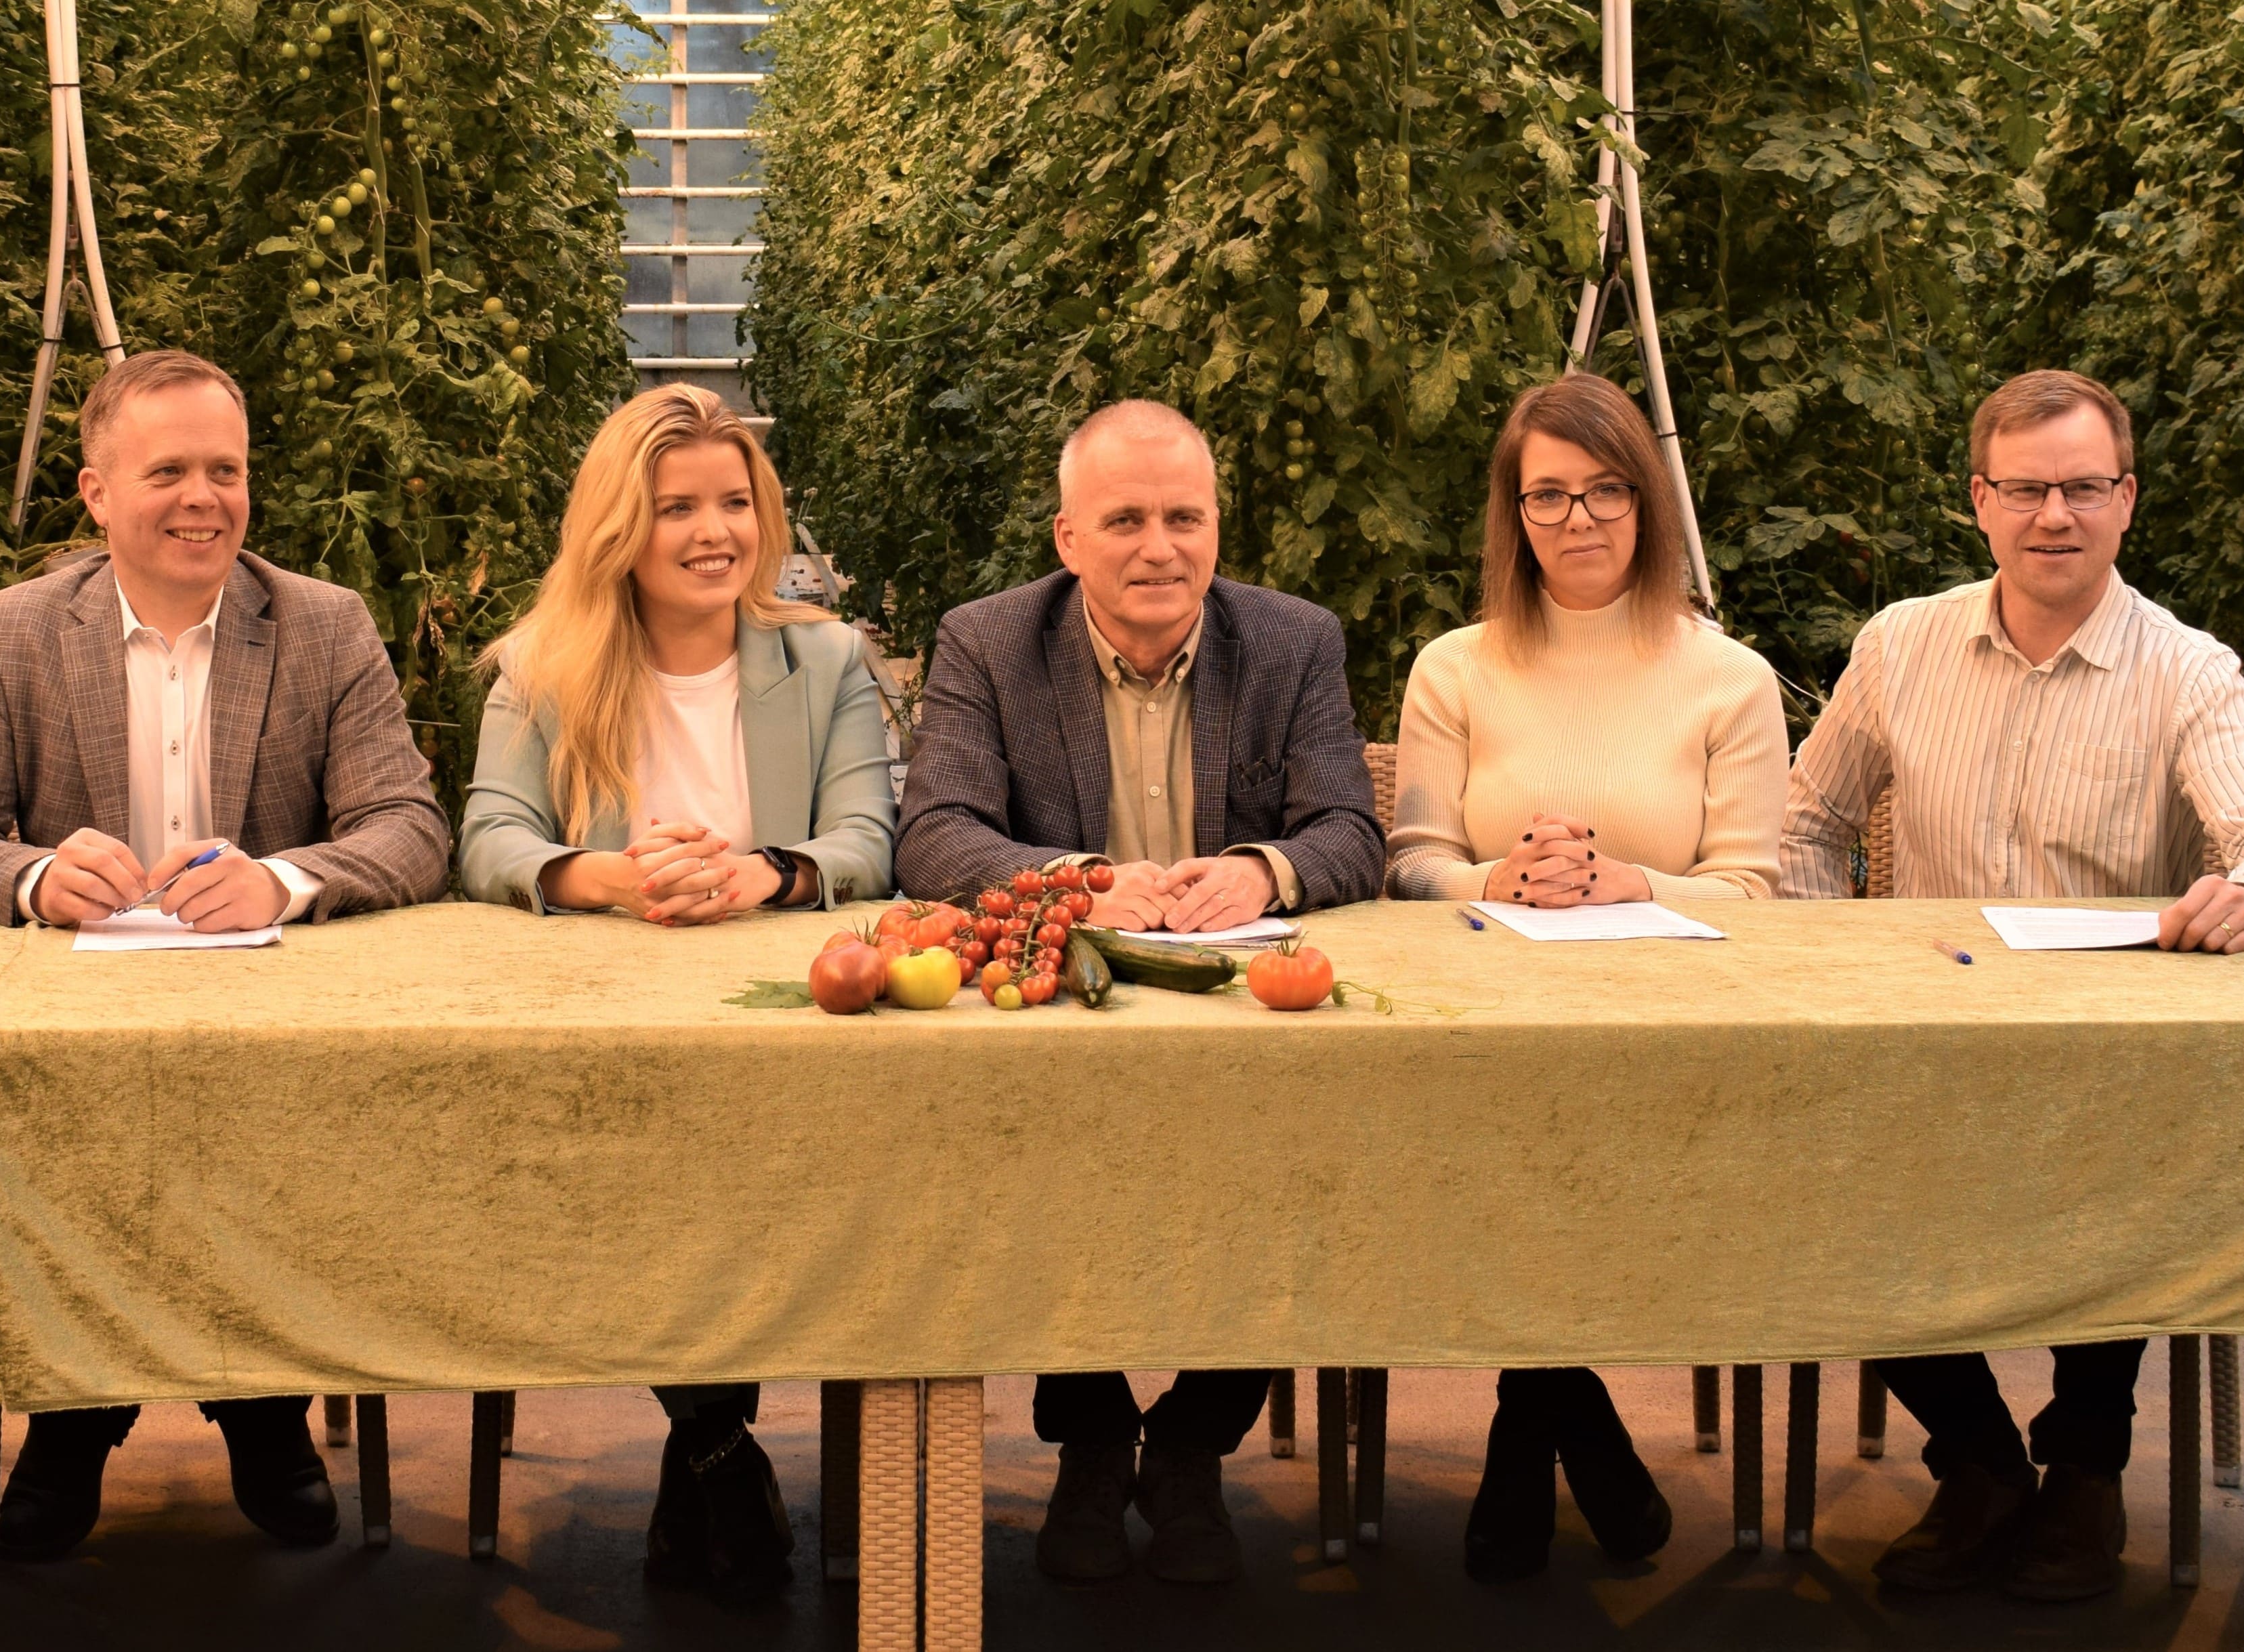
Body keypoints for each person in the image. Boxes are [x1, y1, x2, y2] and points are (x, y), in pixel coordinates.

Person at [0, 348, 452, 1561]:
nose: (204, 499)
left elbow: (409, 827)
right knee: (71, 1140)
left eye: (226, 471)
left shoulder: (322, 624)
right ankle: (77, 1415)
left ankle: (261, 1403)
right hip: (73, 1036)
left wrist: (282, 880)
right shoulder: (14, 631)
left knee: (259, 1134)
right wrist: (36, 878)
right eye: (168, 473)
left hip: (271, 1033)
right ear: (96, 493)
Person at [893, 398, 1383, 1584]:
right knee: (1021, 1165)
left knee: (1307, 1163)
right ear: (1067, 539)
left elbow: (1348, 830)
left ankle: (1192, 1445)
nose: (1159, 548)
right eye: (1124, 521)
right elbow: (935, 833)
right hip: (1060, 1023)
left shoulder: (1292, 642)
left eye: (1183, 518)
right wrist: (1079, 884)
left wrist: (1260, 869)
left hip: (1244, 1023)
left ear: (1216, 526)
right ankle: (1094, 1434)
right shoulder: (987, 642)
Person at [1783, 368, 2244, 1602]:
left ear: (2126, 499)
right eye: (2025, 489)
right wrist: (1833, 970)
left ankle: (2085, 1475)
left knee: (2143, 1169)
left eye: (2082, 487)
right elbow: (1805, 826)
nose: (2054, 515)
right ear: (1979, 500)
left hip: (2106, 1061)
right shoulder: (1898, 646)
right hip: (1919, 1037)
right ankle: (1979, 1463)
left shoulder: (2191, 672)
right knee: (1806, 1174)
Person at [457, 383, 894, 1605]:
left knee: (761, 1192)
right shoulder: (542, 668)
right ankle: (714, 1444)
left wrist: (763, 873)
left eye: (735, 502)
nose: (716, 533)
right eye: (676, 508)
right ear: (618, 528)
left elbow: (870, 839)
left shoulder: (825, 658)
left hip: (783, 1032)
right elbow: (487, 839)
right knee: (640, 1186)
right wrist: (611, 875)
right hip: (611, 1034)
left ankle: (705, 1449)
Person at [1387, 371, 1787, 1579]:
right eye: (1548, 494)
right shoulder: (1453, 668)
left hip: (1672, 1044)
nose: (1578, 519)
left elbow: (1755, 890)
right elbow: (1410, 862)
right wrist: (1497, 881)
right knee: (1487, 1155)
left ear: (1646, 503)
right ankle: (1565, 1420)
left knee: (1555, 1170)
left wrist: (1630, 884)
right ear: (1512, 514)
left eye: (1607, 490)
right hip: (1482, 1035)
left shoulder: (1730, 678)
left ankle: (1532, 1424)